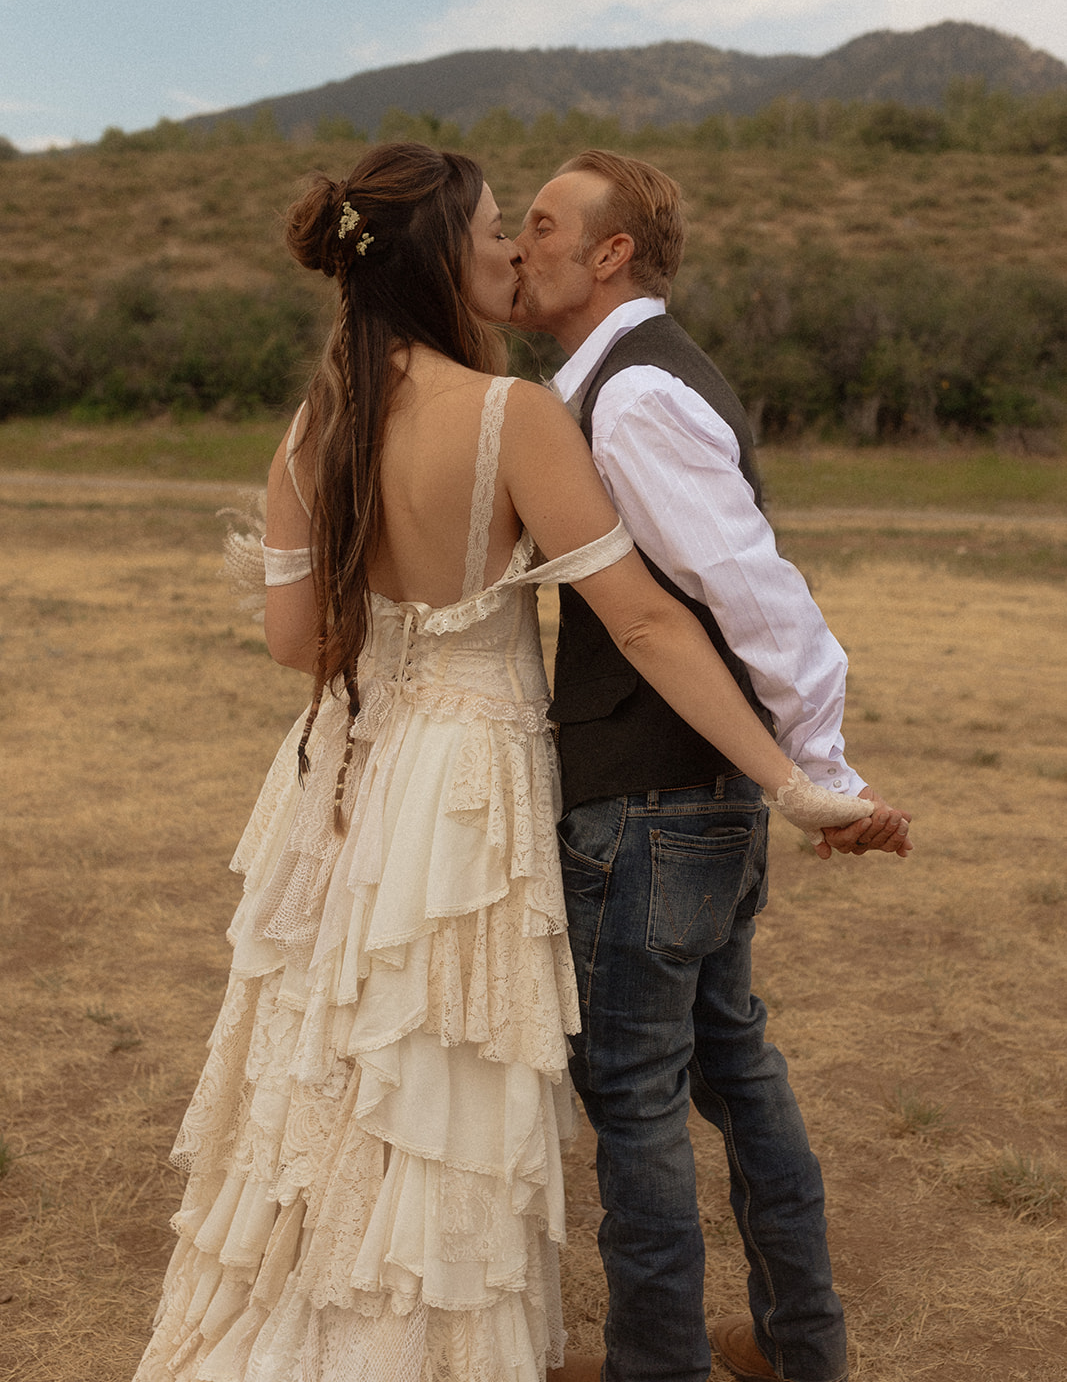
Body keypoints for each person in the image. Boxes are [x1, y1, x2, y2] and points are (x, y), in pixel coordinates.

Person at [132, 142, 872, 1382]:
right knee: (452, 1070)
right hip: (473, 780)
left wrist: (395, 621)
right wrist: (788, 777)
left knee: (343, 1056)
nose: (509, 250)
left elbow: (292, 642)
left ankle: (331, 1314)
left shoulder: (314, 427)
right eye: (490, 232)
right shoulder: (512, 417)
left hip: (355, 771)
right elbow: (643, 618)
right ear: (437, 259)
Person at [509, 149, 913, 1382]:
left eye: (538, 225)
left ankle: (656, 1367)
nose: (516, 246)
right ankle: (799, 1349)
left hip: (651, 805)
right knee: (733, 1065)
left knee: (635, 1099)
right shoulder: (614, 383)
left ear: (608, 252)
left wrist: (818, 769)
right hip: (696, 798)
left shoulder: (629, 399)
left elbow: (751, 590)